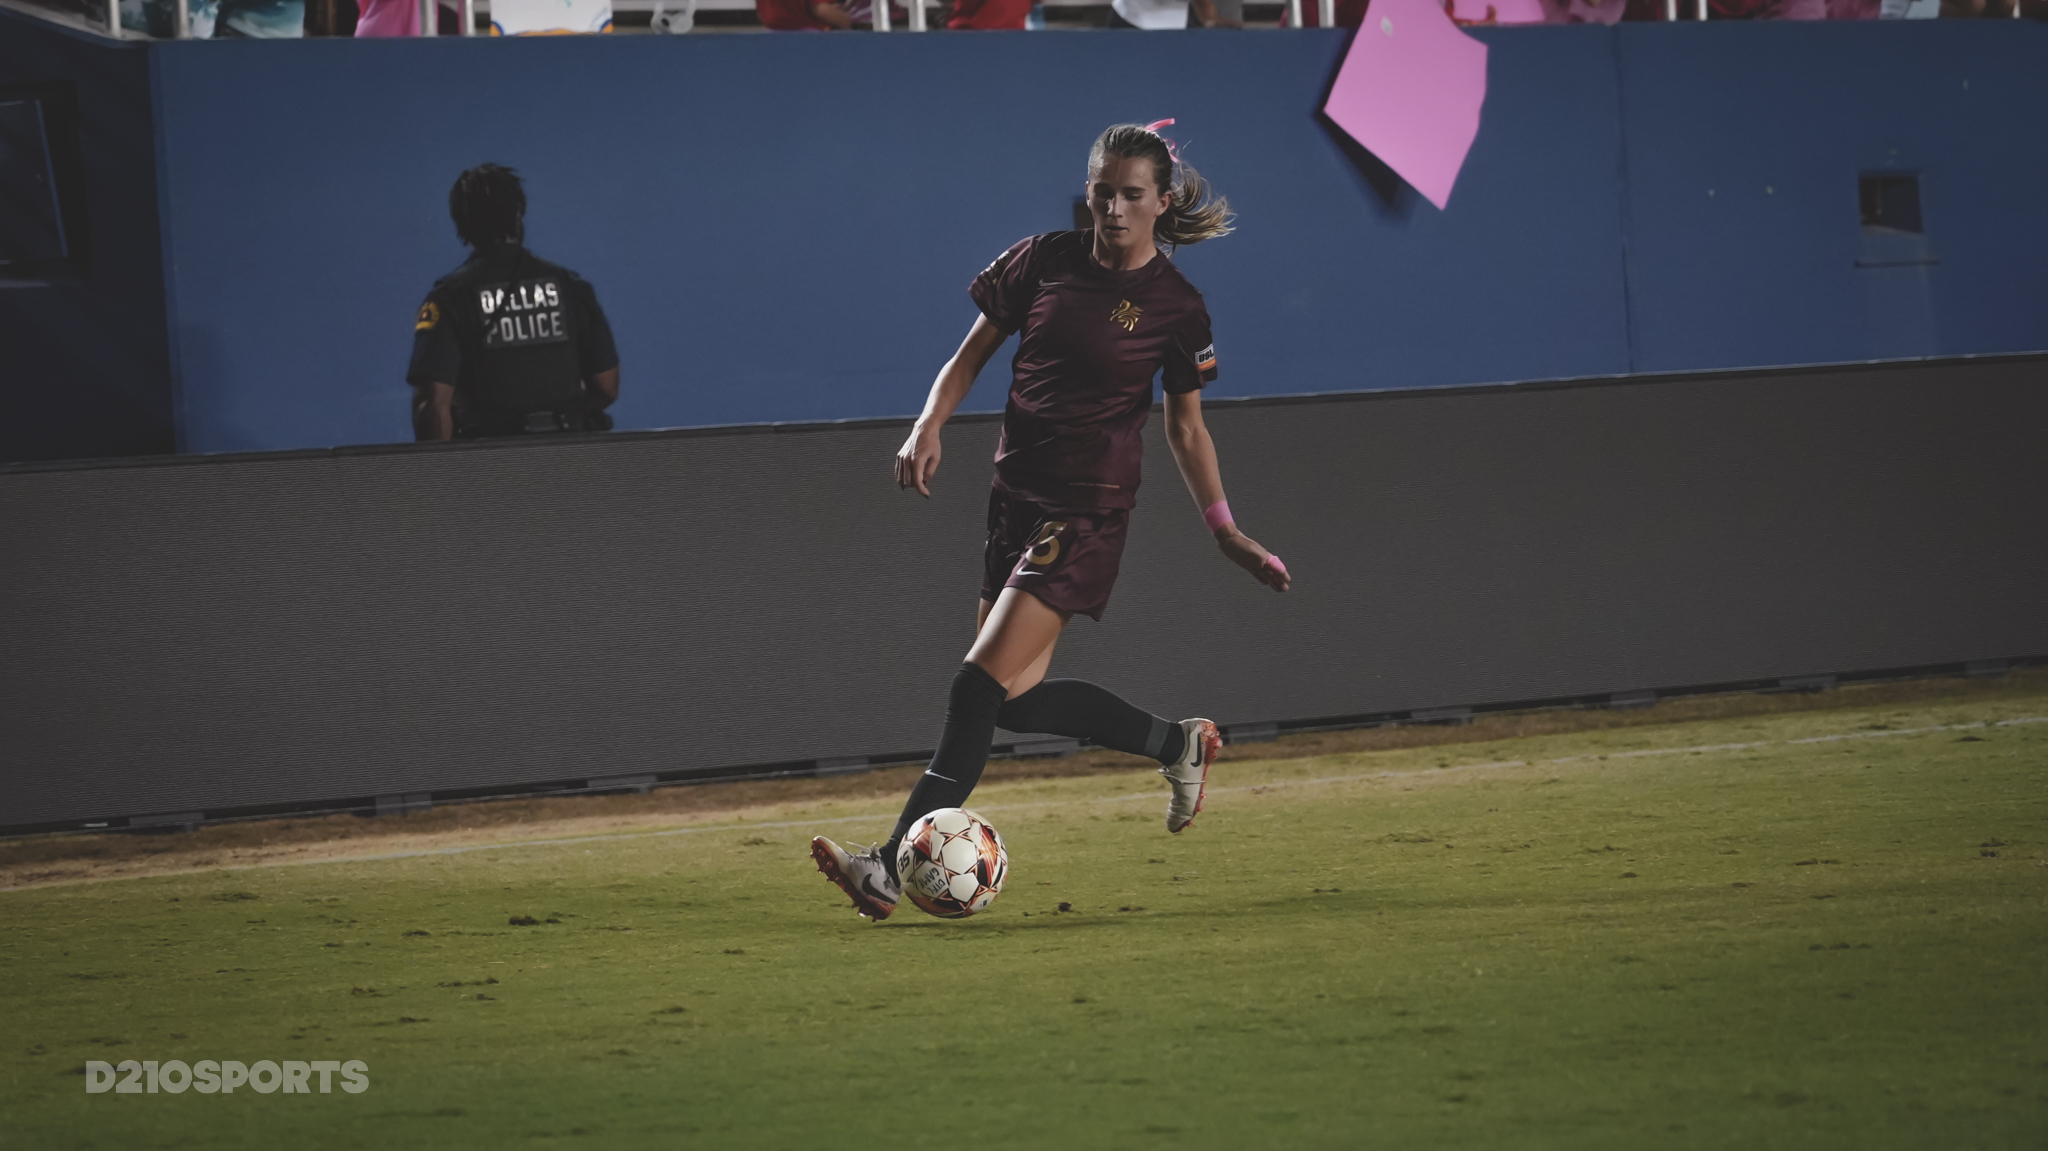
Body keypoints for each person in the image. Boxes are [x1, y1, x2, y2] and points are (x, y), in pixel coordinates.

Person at [811, 122, 1290, 922]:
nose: (1111, 207)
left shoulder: (1177, 307)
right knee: (1014, 700)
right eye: (1102, 190)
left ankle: (888, 866)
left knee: (974, 685)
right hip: (1015, 500)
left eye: (1131, 194)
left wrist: (1224, 528)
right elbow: (970, 354)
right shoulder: (1042, 260)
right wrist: (930, 422)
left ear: (1161, 201)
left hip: (1086, 510)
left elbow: (1185, 427)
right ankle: (1178, 743)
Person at [408, 165, 620, 442]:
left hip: (492, 466)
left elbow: (434, 404)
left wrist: (441, 479)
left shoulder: (449, 299)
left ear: (461, 222)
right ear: (519, 211)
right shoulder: (571, 287)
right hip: (571, 463)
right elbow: (607, 387)